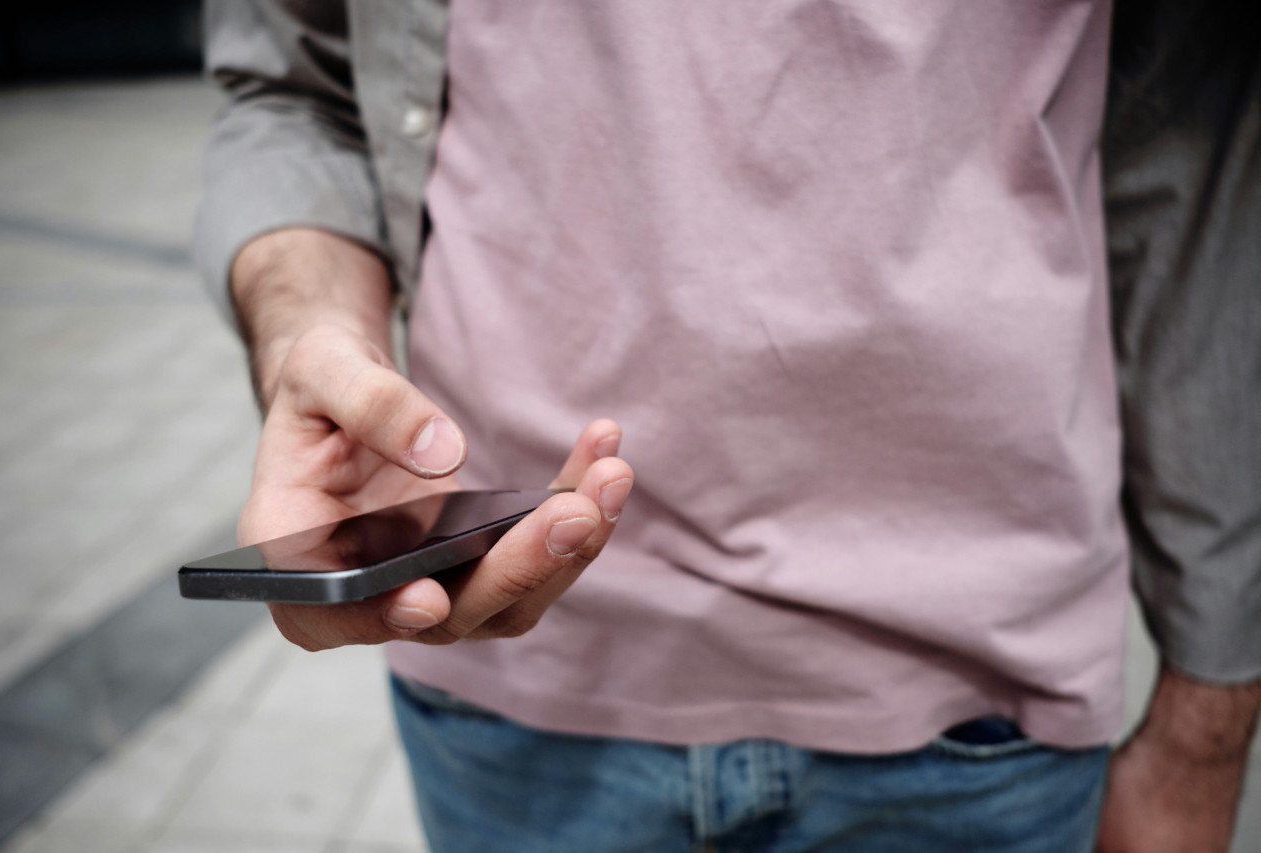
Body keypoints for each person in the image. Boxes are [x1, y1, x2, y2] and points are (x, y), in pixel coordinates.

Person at [195, 1, 1260, 850]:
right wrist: (310, 340)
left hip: (975, 706)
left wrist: (1204, 729)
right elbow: (294, 86)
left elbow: (1194, 139)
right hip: (505, 693)